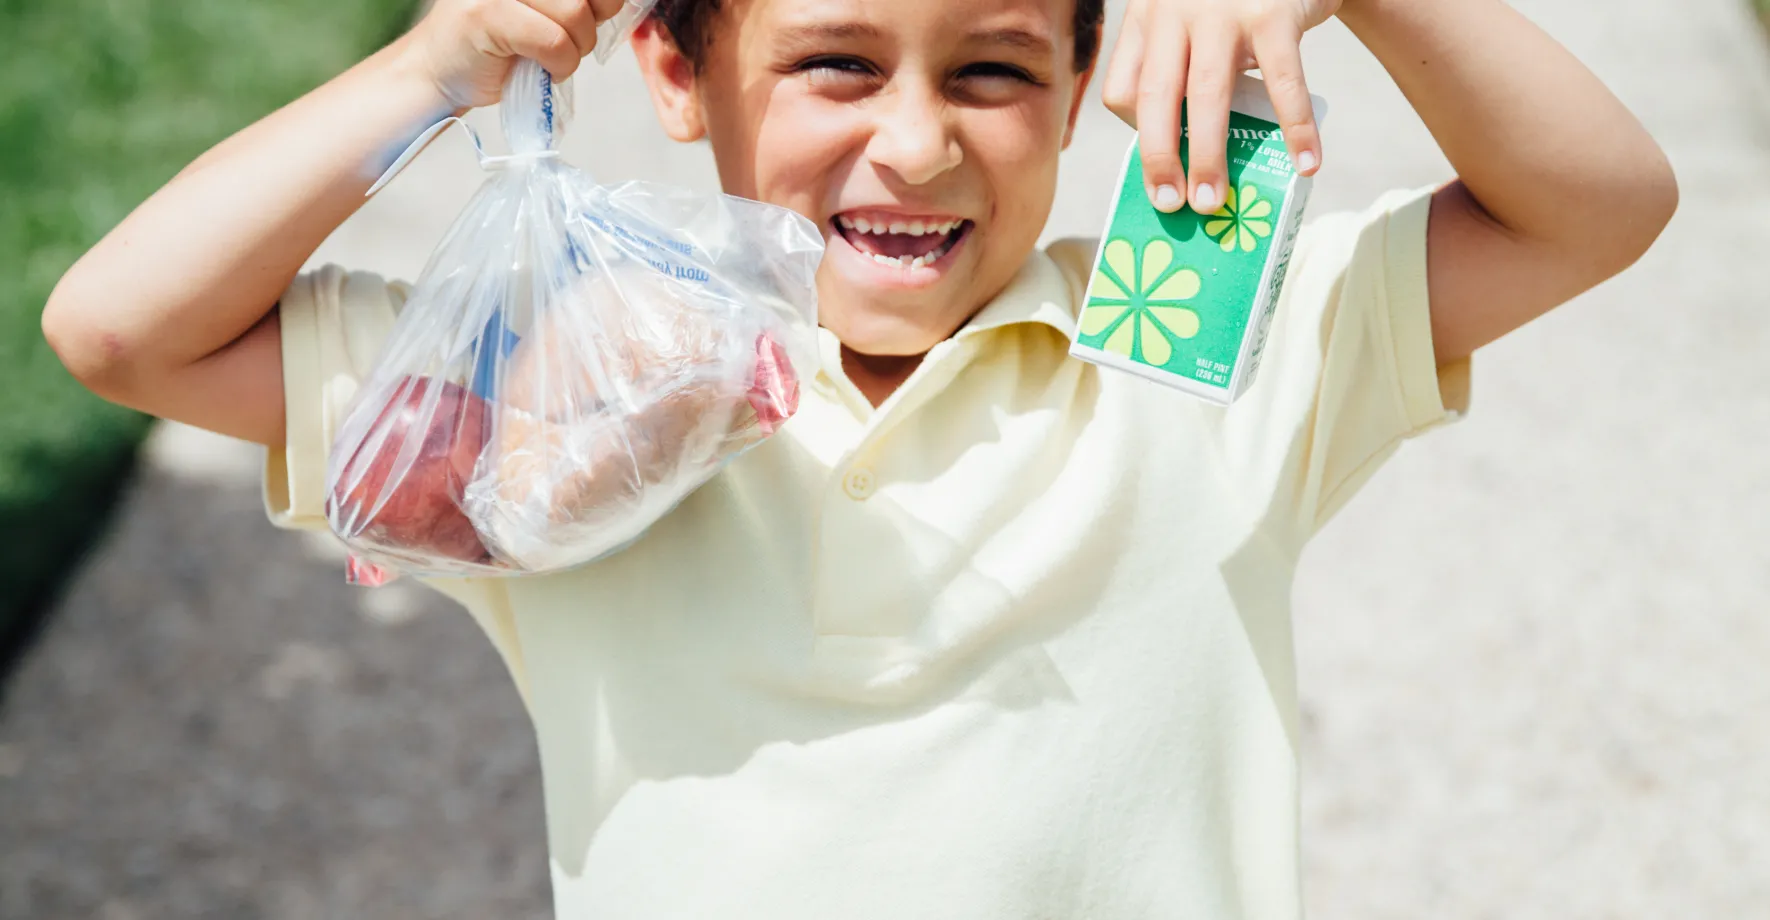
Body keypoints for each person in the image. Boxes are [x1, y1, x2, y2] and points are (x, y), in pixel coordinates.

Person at [41, 0, 1677, 915]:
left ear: (1078, 77)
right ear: (676, 74)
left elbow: (1597, 206)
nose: (915, 140)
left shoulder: (1181, 332)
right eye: (836, 62)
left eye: (991, 69)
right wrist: (428, 66)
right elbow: (123, 331)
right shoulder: (573, 390)